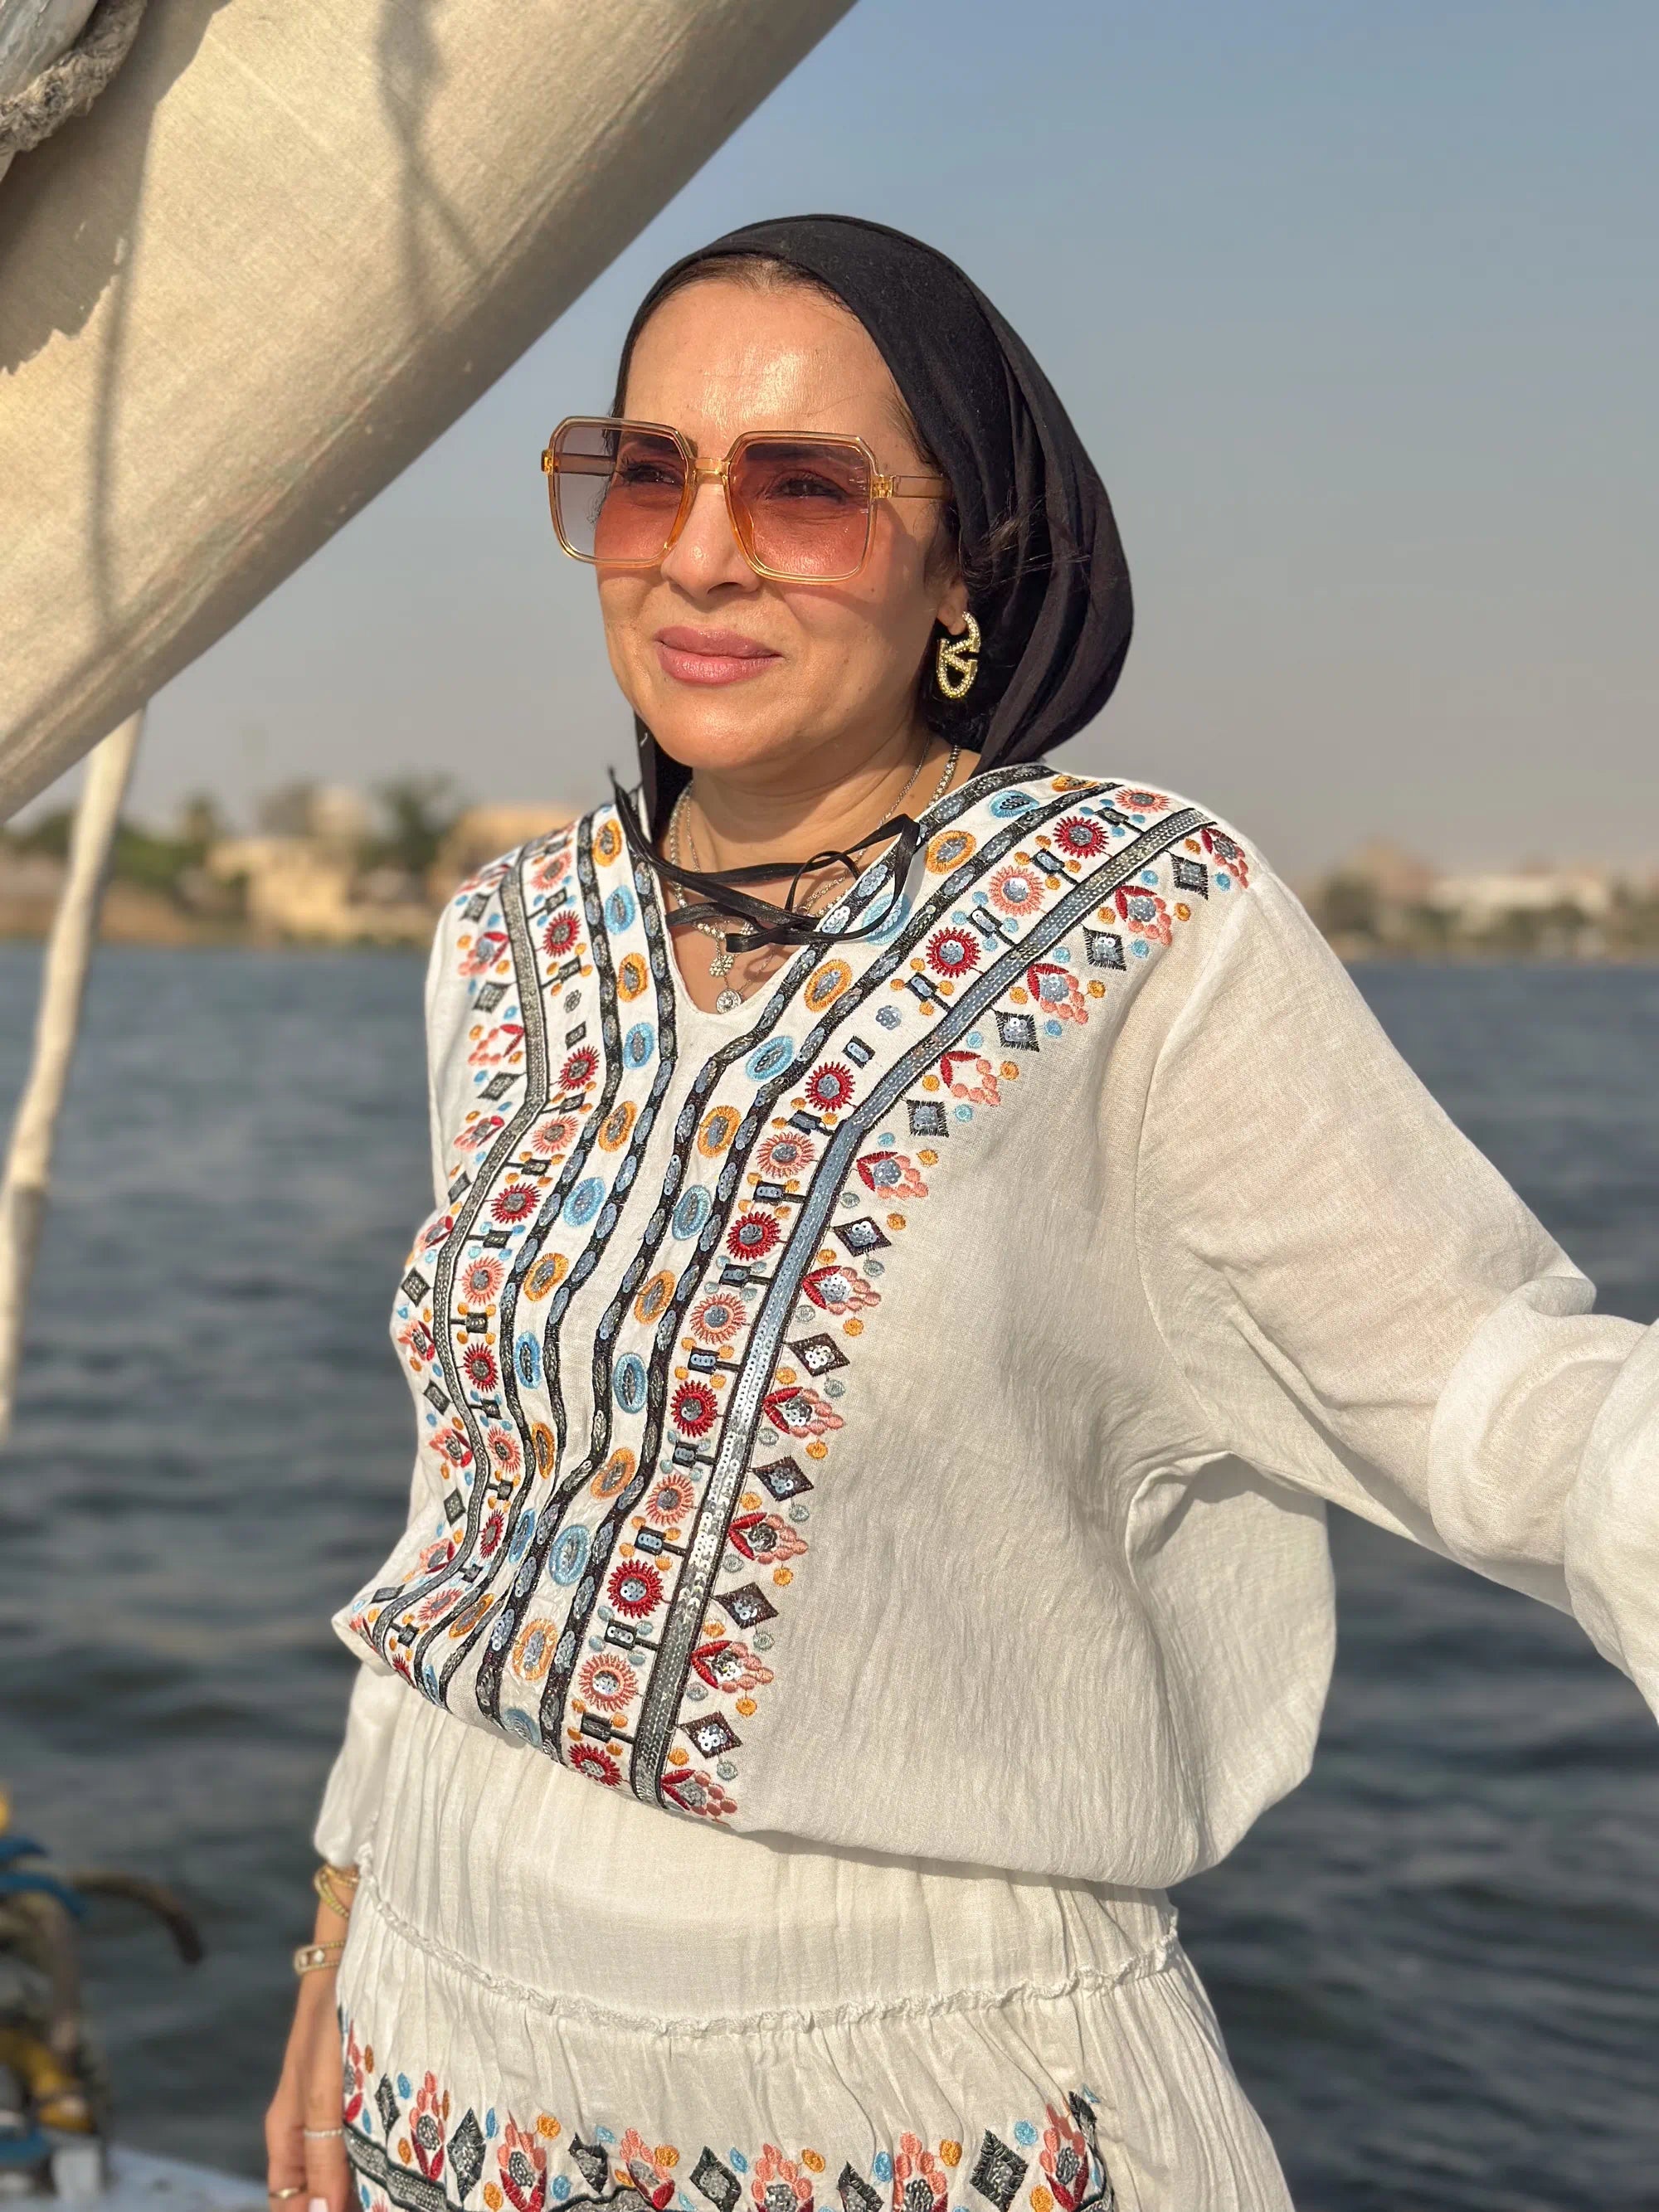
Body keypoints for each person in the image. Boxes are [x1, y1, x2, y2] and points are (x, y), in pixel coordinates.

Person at [265, 215, 1657, 2212]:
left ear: (962, 564)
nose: (701, 549)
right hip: (434, 2072)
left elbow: (1487, 1400)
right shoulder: (509, 933)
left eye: (807, 489)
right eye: (642, 472)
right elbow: (470, 1513)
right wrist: (343, 1911)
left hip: (911, 2124)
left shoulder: (1134, 920)